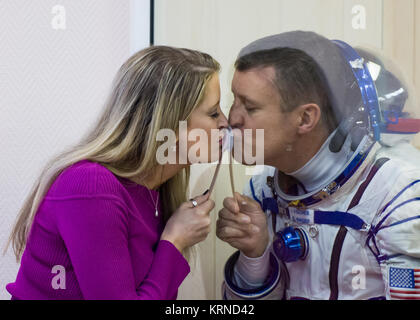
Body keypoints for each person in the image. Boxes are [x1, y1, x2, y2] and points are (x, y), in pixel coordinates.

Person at [5, 46, 228, 300]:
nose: (225, 122)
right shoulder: (91, 187)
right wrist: (174, 242)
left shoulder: (157, 192)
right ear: (169, 123)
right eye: (213, 113)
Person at [217, 31, 420, 300]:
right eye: (235, 100)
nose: (232, 118)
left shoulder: (397, 194)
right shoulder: (261, 189)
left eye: (250, 107)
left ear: (305, 118)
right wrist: (254, 256)